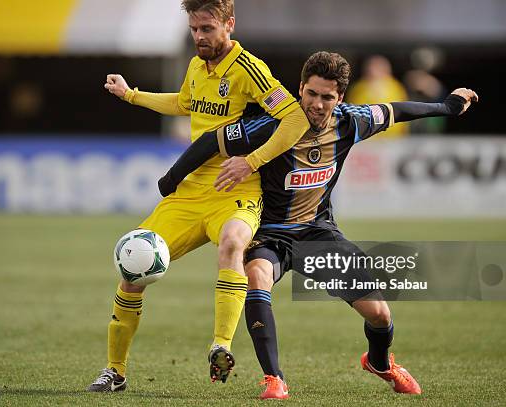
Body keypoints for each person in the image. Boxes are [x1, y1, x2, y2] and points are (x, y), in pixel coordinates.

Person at [158, 51, 478, 399]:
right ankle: (274, 379)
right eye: (311, 93)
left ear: (339, 98)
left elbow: (395, 111)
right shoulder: (271, 124)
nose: (318, 103)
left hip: (317, 233)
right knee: (256, 276)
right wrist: (171, 179)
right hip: (269, 234)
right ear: (300, 89)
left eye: (327, 97)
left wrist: (446, 107)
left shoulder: (350, 121)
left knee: (380, 315)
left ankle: (379, 362)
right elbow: (211, 141)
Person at [88, 0, 309, 392]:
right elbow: (183, 103)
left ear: (229, 25)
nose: (199, 37)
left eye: (207, 28)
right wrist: (131, 95)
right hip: (189, 193)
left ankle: (220, 347)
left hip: (235, 191)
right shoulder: (196, 66)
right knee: (133, 266)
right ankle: (114, 371)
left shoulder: (249, 69)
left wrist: (252, 161)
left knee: (232, 244)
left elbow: (295, 117)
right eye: (194, 29)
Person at [347, 55, 409, 138]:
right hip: (364, 138)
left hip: (391, 138)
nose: (371, 71)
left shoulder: (394, 88)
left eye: (376, 68)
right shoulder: (358, 88)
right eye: (369, 68)